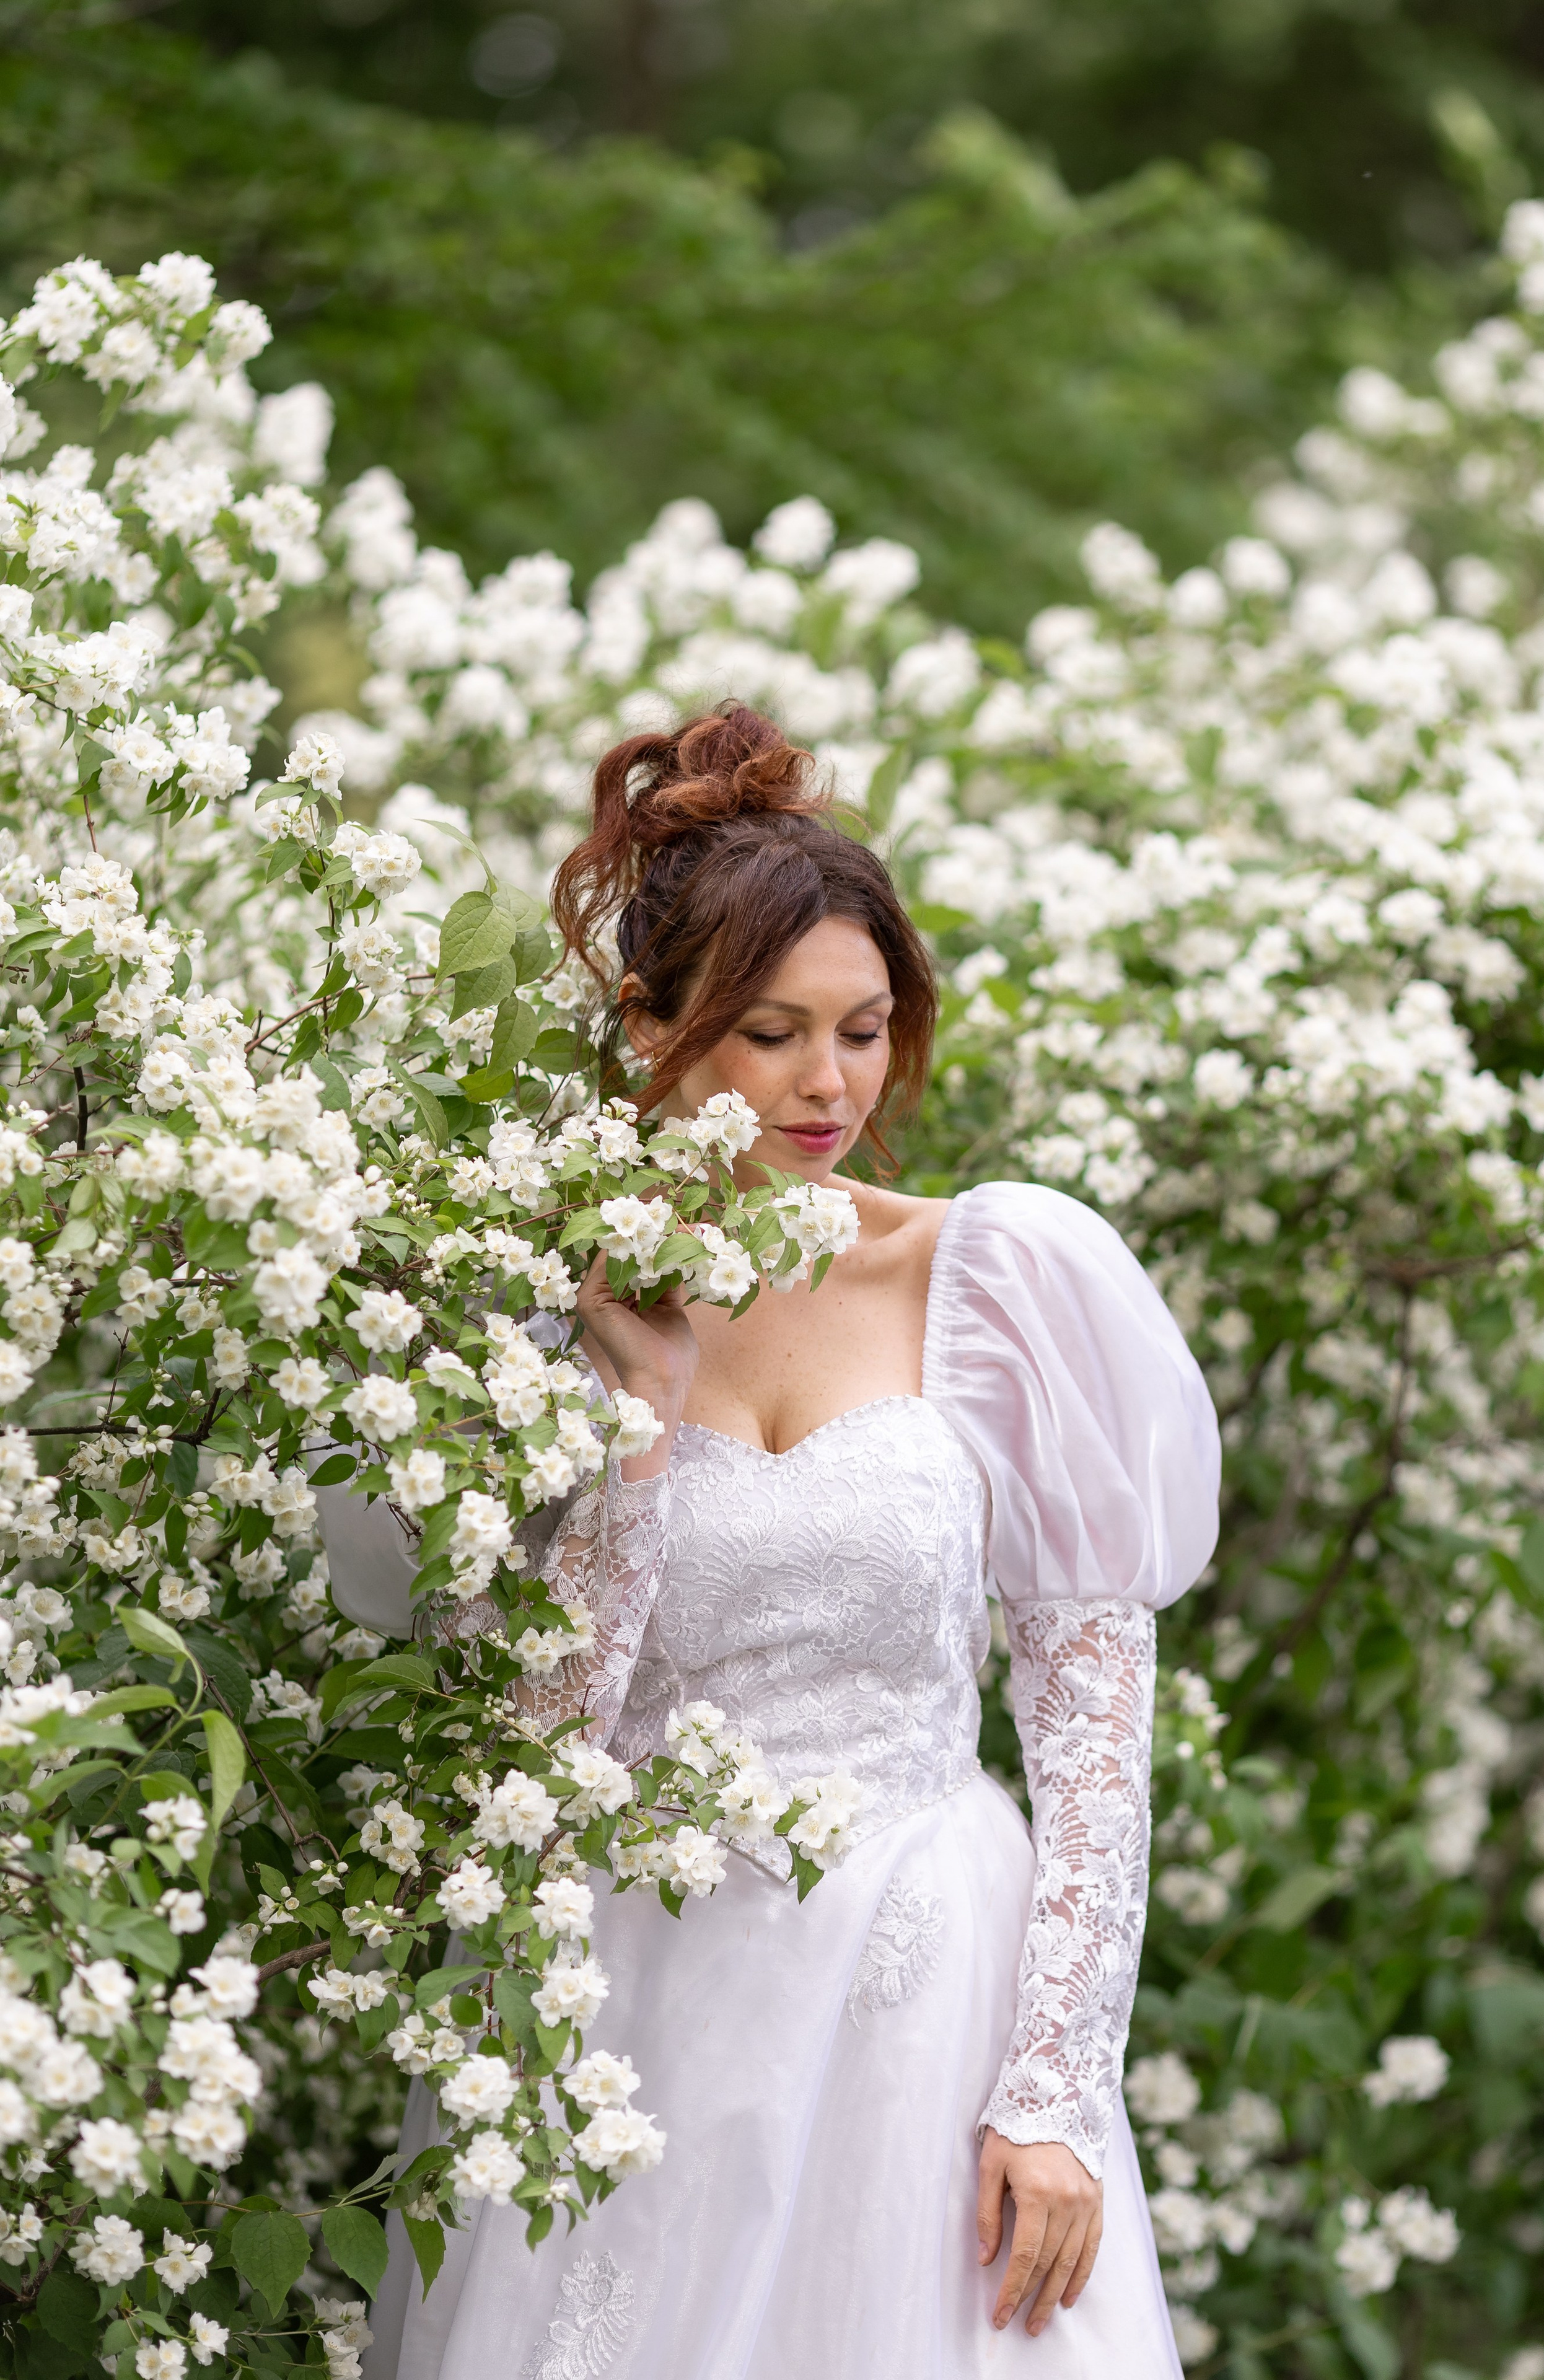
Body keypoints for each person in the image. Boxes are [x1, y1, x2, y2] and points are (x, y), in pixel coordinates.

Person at [329, 704, 1221, 2380]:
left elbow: (1094, 1729)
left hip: (928, 1986)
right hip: (633, 1994)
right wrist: (635, 1424)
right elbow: (534, 1753)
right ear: (651, 1028)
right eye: (773, 1033)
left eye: (865, 1031)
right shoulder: (543, 1312)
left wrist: (1053, 2090)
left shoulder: (997, 1284)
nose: (831, 1086)